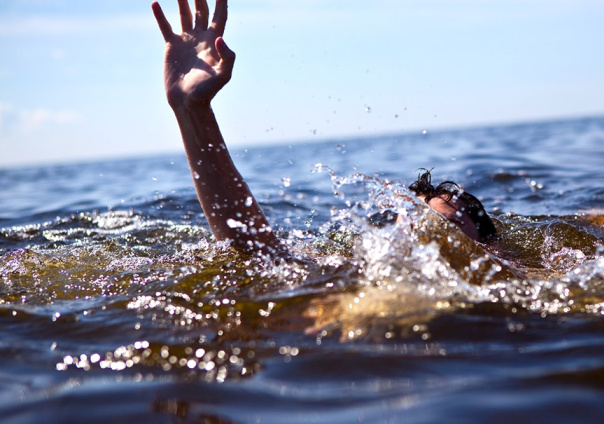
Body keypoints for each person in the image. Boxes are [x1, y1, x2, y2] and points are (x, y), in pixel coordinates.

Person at [151, 0, 496, 259]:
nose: (424, 235)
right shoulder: (354, 276)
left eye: (447, 227)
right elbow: (258, 254)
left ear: (491, 252)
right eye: (415, 225)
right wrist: (192, 111)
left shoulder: (508, 287)